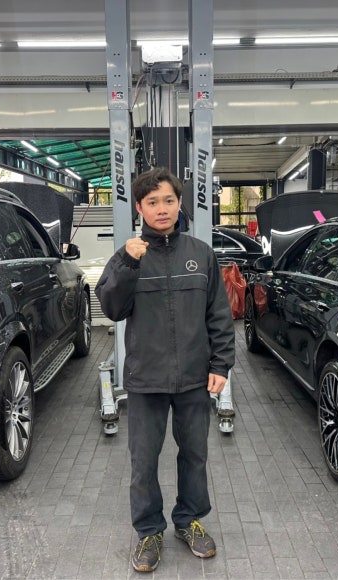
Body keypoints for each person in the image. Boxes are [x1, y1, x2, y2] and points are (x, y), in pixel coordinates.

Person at [95, 167, 235, 573]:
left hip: (194, 377)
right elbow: (112, 309)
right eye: (152, 202)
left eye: (169, 201)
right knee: (143, 462)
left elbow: (219, 314)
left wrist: (221, 363)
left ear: (179, 204)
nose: (162, 209)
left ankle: (188, 521)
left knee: (195, 455)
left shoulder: (200, 253)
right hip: (146, 379)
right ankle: (148, 530)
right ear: (139, 207)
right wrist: (126, 262)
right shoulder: (129, 256)